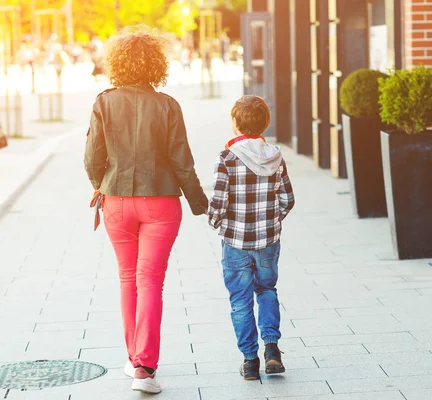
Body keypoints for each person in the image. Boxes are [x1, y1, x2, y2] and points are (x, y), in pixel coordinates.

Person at [84, 25, 208, 394]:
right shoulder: (168, 106)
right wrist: (201, 204)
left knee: (127, 277)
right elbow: (182, 161)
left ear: (117, 63)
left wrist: (99, 186)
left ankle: (132, 357)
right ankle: (145, 369)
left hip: (117, 203)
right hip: (161, 203)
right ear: (156, 64)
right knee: (150, 279)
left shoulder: (104, 102)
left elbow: (92, 159)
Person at [207, 95, 295, 381]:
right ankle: (272, 349)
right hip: (268, 241)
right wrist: (272, 221)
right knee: (267, 290)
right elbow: (287, 199)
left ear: (235, 124)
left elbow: (218, 203)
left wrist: (215, 222)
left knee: (240, 301)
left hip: (235, 244)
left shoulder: (227, 159)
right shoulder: (276, 155)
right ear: (265, 122)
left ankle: (249, 360)